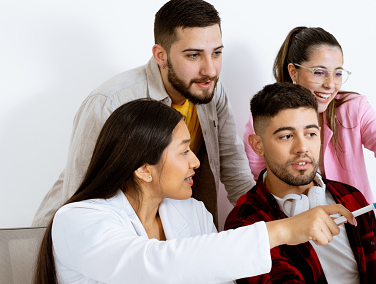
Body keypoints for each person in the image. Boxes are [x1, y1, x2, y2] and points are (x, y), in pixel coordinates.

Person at [34, 99, 355, 284]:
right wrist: (283, 229)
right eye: (184, 151)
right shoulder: (78, 220)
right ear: (143, 168)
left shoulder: (188, 212)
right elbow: (151, 266)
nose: (196, 163)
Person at [33, 0, 255, 227]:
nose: (210, 69)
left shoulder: (209, 91)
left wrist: (264, 224)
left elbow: (234, 168)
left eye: (216, 53)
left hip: (161, 231)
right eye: (193, 55)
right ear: (161, 56)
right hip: (78, 236)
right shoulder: (109, 103)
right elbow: (81, 197)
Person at [226, 83, 376, 284]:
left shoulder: (351, 197)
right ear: (258, 145)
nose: (302, 147)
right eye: (286, 136)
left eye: (311, 134)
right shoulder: (243, 224)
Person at [243, 27, 376, 241]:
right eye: (319, 72)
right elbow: (258, 187)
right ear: (293, 72)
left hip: (356, 234)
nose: (331, 84)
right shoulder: (265, 120)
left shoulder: (353, 109)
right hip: (293, 238)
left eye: (338, 73)